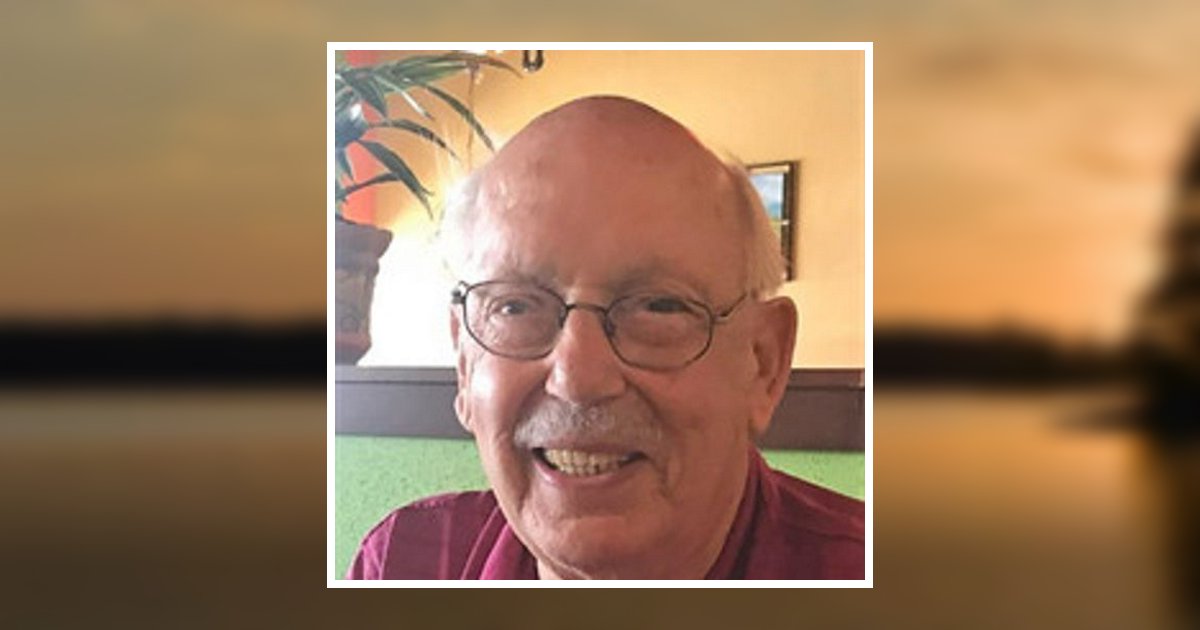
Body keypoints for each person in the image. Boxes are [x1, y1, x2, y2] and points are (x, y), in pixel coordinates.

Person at [347, 95, 864, 580]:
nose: (578, 379)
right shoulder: (404, 564)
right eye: (516, 306)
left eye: (659, 306)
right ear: (465, 364)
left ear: (763, 362)